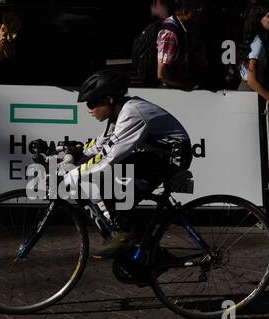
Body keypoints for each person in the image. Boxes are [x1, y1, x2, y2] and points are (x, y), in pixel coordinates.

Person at [70, 69, 192, 257]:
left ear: (109, 99)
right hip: (157, 156)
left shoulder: (132, 112)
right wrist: (76, 153)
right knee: (115, 191)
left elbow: (108, 157)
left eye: (93, 102)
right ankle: (143, 247)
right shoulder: (120, 112)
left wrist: (74, 174)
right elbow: (104, 144)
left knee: (109, 181)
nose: (90, 109)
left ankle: (130, 238)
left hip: (171, 158)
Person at [156, 0, 208, 90]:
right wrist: (187, 86)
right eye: (197, 9)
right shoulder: (170, 33)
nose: (201, 12)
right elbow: (162, 74)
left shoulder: (186, 29)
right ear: (186, 12)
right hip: (168, 92)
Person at [131, 0, 174, 87]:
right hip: (162, 83)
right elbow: (161, 73)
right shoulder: (166, 30)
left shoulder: (151, 29)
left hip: (151, 81)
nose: (152, 6)